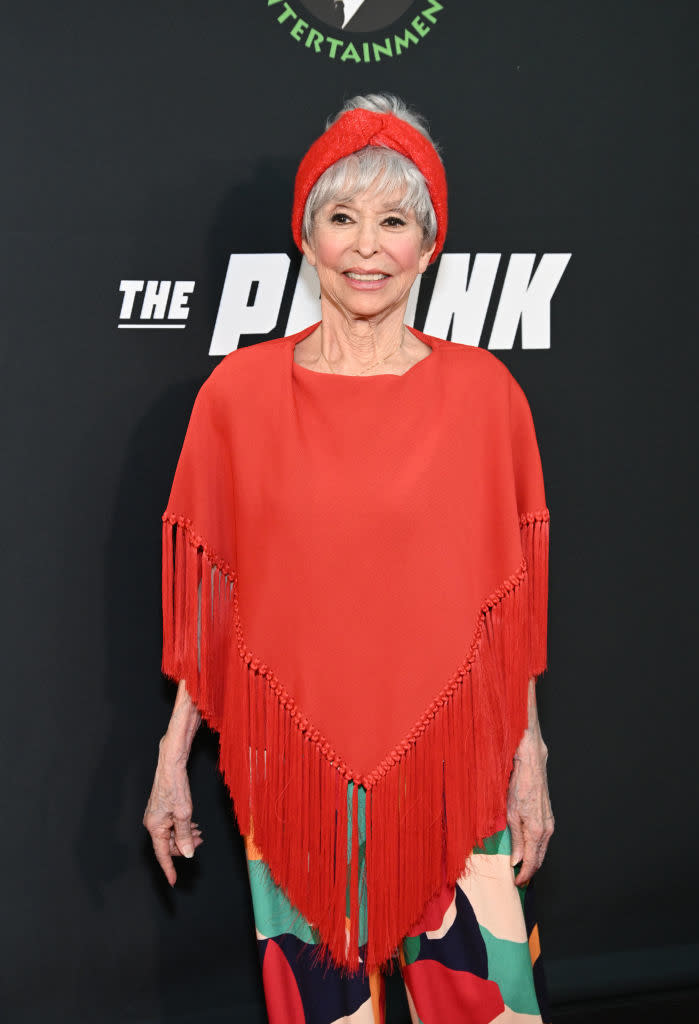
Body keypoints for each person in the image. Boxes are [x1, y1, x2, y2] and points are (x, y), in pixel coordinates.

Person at [144, 93, 555, 1023]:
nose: (367, 247)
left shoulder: (486, 398)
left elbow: (510, 602)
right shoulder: (237, 401)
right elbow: (215, 602)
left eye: (394, 221)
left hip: (459, 775)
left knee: (487, 1008)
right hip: (293, 782)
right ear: (307, 237)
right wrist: (173, 757)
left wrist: (528, 752)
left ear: (428, 245)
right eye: (342, 219)